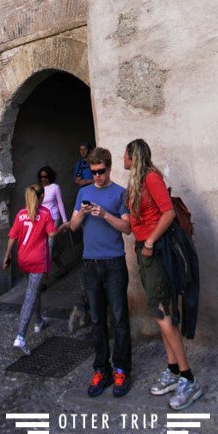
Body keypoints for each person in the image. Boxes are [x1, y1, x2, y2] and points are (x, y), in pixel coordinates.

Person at [124, 138, 203, 410]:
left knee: (162, 314)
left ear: (132, 157)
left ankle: (188, 378)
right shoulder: (135, 184)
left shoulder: (150, 179)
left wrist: (148, 242)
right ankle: (172, 371)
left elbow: (168, 212)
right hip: (145, 254)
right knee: (163, 313)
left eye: (125, 155)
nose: (123, 160)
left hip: (156, 253)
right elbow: (132, 222)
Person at [70, 147, 132, 398]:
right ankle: (101, 369)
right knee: (97, 320)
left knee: (119, 319)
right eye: (93, 172)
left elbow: (127, 228)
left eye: (101, 171)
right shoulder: (83, 192)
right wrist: (82, 214)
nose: (96, 176)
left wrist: (105, 215)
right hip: (90, 264)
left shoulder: (120, 193)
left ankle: (121, 370)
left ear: (109, 167)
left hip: (114, 263)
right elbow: (73, 227)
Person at [3, 183, 67, 355]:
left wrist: (7, 256)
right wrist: (63, 227)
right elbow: (52, 234)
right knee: (31, 295)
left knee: (35, 289)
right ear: (41, 198)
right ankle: (20, 336)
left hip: (23, 259)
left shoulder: (21, 214)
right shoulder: (45, 213)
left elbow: (12, 236)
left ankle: (39, 321)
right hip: (38, 261)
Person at [37, 165, 69, 275]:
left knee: (48, 249)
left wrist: (65, 222)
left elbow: (60, 204)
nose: (43, 179)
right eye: (41, 177)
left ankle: (44, 279)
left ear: (50, 177)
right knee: (52, 249)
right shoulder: (38, 188)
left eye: (46, 177)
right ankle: (62, 268)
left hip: (54, 219)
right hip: (42, 220)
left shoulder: (55, 187)